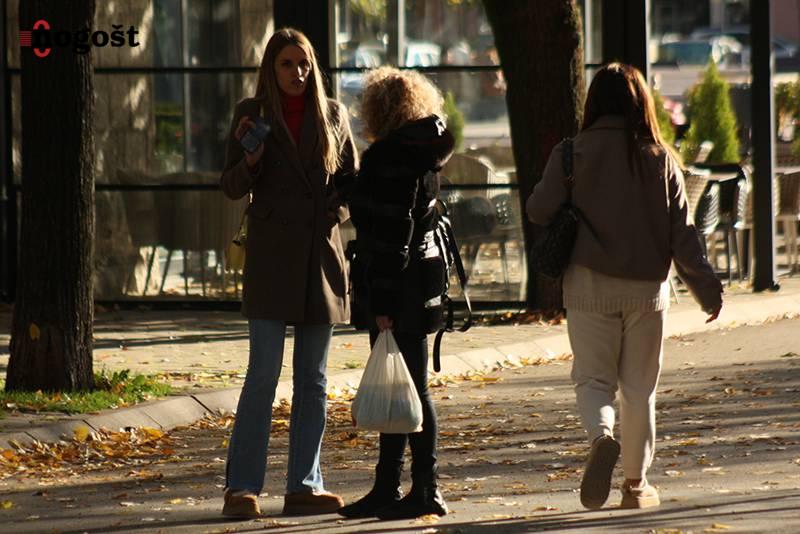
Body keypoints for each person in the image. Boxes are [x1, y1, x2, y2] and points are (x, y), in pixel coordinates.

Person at [526, 63, 723, 511]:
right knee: (639, 390)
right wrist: (707, 291)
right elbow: (683, 236)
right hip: (647, 292)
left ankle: (601, 438)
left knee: (593, 380)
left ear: (594, 102)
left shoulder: (570, 154)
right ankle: (635, 486)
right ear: (641, 104)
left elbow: (538, 210)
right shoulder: (660, 159)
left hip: (588, 285)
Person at [219, 28, 357, 518]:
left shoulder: (333, 114)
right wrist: (252, 161)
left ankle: (304, 485)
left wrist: (331, 213)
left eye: (304, 64)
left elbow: (351, 185)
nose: (297, 73)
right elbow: (230, 185)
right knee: (262, 374)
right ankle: (241, 488)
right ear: (270, 69)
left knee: (313, 379)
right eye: (286, 64)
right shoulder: (252, 114)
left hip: (319, 258)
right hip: (272, 257)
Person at [337, 66, 455, 520]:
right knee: (404, 387)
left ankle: (419, 488)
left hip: (395, 285)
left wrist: (382, 301)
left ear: (379, 109)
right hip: (420, 282)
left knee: (409, 389)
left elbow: (390, 231)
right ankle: (400, 486)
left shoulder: (390, 156)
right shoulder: (422, 152)